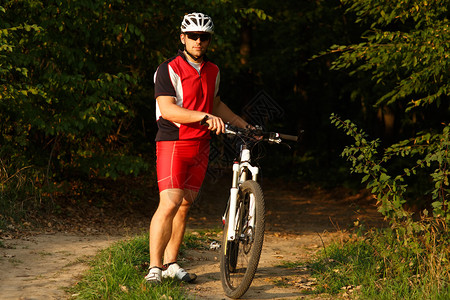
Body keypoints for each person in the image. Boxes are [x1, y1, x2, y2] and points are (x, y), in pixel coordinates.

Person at [146, 12, 250, 284]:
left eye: (204, 37)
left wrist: (242, 124)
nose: (198, 41)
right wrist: (202, 117)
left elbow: (215, 104)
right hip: (174, 142)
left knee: (183, 207)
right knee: (169, 203)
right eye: (193, 36)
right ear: (183, 38)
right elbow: (168, 109)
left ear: (209, 40)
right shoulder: (168, 68)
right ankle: (154, 268)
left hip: (201, 145)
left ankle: (171, 263)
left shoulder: (213, 70)